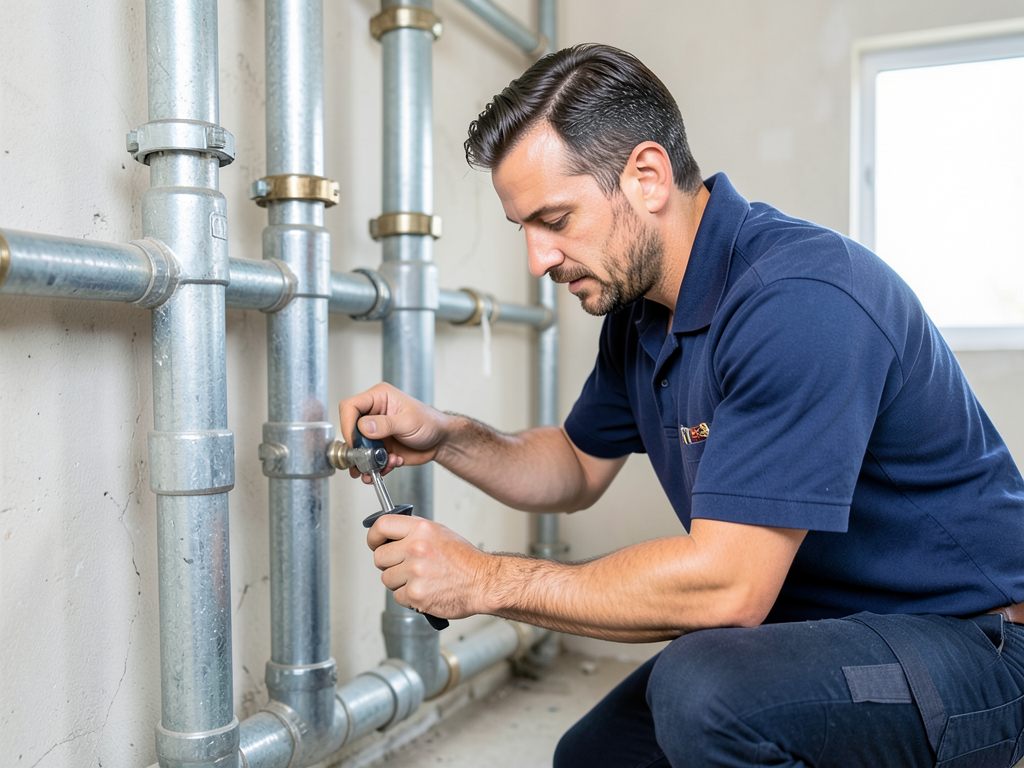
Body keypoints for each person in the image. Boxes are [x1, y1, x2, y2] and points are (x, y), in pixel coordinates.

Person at [339, 44, 1024, 767]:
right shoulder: (638, 315)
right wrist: (446, 435)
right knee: (596, 759)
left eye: (555, 219)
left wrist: (483, 579)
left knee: (707, 693)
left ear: (646, 177)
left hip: (972, 642)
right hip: (818, 626)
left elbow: (729, 588)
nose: (537, 261)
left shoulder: (799, 299)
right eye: (524, 229)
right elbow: (572, 467)